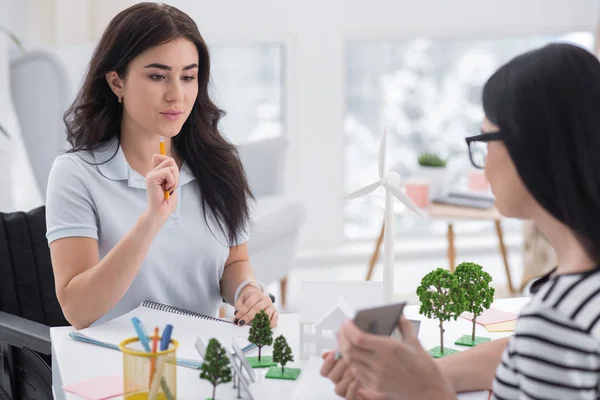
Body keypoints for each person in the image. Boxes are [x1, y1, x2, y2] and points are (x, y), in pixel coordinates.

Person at [321, 42, 600, 399]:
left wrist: (427, 392)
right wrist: (417, 375)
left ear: (533, 147)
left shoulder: (559, 322)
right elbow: (523, 354)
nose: (482, 163)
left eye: (485, 139)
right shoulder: (571, 310)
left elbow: (544, 344)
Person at [46, 2, 277, 330]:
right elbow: (78, 310)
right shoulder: (75, 174)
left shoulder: (220, 164)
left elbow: (234, 261)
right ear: (117, 83)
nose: (176, 95)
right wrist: (152, 220)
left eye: (188, 77)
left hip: (203, 359)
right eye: (158, 76)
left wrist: (247, 290)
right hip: (117, 364)